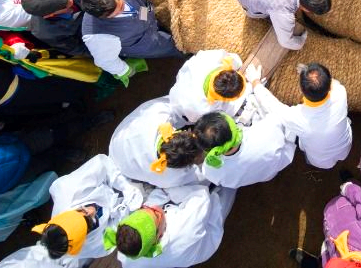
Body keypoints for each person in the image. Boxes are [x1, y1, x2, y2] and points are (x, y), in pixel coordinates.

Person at [25, 154, 143, 263]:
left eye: (82, 210)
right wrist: (124, 212)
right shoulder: (88, 248)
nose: (91, 211)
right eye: (90, 224)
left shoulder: (69, 189)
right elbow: (114, 233)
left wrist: (126, 187)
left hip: (114, 181)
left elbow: (103, 164)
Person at [251, 62, 352, 169]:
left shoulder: (298, 117)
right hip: (345, 148)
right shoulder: (340, 93)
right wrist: (307, 73)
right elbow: (333, 83)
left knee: (310, 156)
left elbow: (270, 104)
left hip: (322, 161)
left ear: (301, 90)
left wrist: (255, 81)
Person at [105, 186, 234, 268]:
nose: (155, 208)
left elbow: (154, 203)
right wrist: (168, 189)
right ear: (158, 237)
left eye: (145, 209)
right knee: (221, 194)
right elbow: (201, 194)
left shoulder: (126, 250)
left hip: (171, 259)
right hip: (205, 237)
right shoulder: (184, 228)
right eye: (157, 215)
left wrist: (161, 194)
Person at [291, 181, 361, 268]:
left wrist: (325, 253)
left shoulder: (336, 263)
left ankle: (310, 262)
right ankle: (349, 179)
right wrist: (348, 188)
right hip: (343, 202)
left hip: (331, 221)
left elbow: (329, 260)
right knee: (354, 185)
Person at [195, 111, 296, 188]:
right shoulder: (268, 130)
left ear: (206, 149)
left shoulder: (209, 170)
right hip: (278, 165)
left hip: (263, 176)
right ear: (231, 125)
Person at [235, 0, 332, 51]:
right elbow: (285, 42)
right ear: (306, 10)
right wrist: (302, 41)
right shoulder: (283, 14)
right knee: (274, 17)